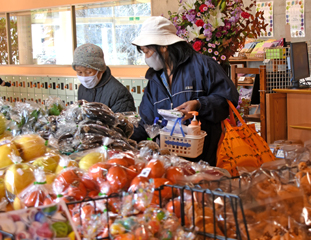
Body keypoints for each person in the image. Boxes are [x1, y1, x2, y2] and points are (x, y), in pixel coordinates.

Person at [130, 16, 239, 166]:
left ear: (163, 46)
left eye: (147, 51)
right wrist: (125, 137)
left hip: (206, 160)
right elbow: (147, 123)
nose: (146, 58)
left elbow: (228, 101)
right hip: (170, 164)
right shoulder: (155, 81)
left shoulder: (203, 66)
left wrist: (199, 104)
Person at [72, 43, 136, 113]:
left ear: (100, 69)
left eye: (89, 72)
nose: (84, 77)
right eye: (79, 72)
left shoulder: (118, 93)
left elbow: (123, 121)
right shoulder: (82, 88)